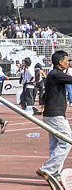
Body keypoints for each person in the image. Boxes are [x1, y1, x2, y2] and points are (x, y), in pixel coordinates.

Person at [37, 50, 72, 178]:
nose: (68, 63)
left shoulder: (54, 75)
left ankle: (54, 173)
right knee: (66, 141)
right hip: (55, 115)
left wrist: (43, 104)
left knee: (56, 144)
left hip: (52, 114)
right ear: (60, 62)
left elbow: (45, 94)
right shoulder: (56, 74)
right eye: (66, 60)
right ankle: (47, 169)